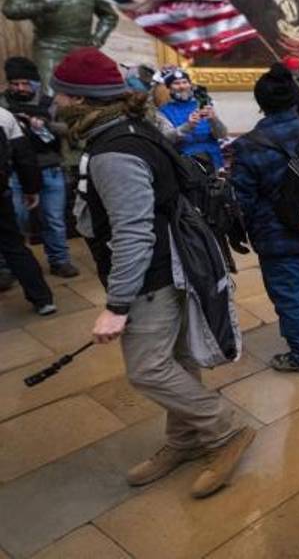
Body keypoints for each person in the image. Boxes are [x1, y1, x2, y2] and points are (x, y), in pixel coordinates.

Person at [52, 47, 254, 497]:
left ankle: (225, 430)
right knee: (178, 359)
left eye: (61, 95)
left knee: (146, 368)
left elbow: (133, 232)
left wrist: (117, 305)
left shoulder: (113, 151)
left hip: (154, 275)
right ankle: (184, 440)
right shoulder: (133, 128)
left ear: (78, 99)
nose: (56, 102)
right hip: (175, 262)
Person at [231, 64, 299, 373]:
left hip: (275, 232)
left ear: (261, 104)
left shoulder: (249, 145)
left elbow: (242, 198)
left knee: (290, 293)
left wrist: (245, 229)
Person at [2, 56, 78, 277]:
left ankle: (59, 261)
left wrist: (44, 126)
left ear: (35, 83)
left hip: (49, 167)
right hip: (14, 171)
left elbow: (70, 130)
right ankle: (10, 266)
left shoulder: (49, 103)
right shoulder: (3, 105)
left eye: (25, 83)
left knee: (54, 219)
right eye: (15, 83)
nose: (20, 88)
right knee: (14, 219)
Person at [156, 69, 227, 171]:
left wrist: (214, 120)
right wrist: (188, 126)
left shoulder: (206, 105)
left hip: (214, 159)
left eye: (185, 82)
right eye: (176, 83)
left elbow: (222, 135)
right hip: (186, 161)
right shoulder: (163, 111)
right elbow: (166, 138)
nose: (182, 86)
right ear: (169, 88)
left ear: (190, 85)